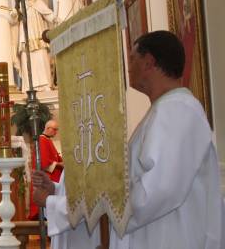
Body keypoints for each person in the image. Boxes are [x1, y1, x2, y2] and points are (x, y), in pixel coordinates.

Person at [34, 30, 223, 249]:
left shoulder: (178, 111)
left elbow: (156, 192)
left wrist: (69, 206)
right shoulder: (164, 110)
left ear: (149, 62)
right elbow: (133, 183)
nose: (128, 66)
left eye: (132, 58)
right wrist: (60, 193)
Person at [10, 0, 60, 92]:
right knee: (28, 59)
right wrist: (13, 14)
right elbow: (14, 19)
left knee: (42, 57)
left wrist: (55, 18)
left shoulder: (38, 2)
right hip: (25, 36)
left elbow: (48, 13)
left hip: (38, 35)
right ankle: (28, 86)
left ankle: (46, 84)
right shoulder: (20, 5)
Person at [28, 119, 63, 220]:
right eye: (54, 130)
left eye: (57, 130)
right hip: (45, 178)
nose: (56, 132)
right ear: (47, 128)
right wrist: (60, 164)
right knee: (46, 209)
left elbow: (55, 157)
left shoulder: (47, 140)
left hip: (52, 178)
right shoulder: (42, 140)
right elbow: (44, 163)